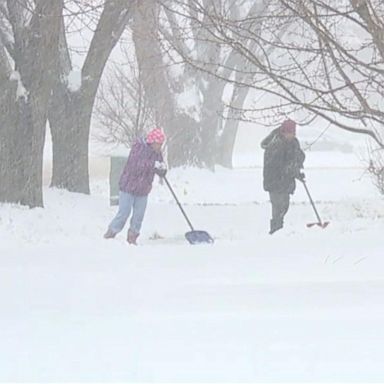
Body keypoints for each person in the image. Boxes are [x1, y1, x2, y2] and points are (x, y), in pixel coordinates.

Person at [104, 128, 167, 244]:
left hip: (143, 189)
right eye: (158, 144)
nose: (159, 147)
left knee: (139, 216)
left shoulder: (157, 153)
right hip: (128, 187)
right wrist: (153, 165)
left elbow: (159, 164)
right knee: (124, 213)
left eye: (161, 144)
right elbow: (137, 164)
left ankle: (132, 237)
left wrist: (162, 169)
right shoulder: (138, 147)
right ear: (152, 141)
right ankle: (111, 233)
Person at [261, 119, 305, 234]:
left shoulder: (293, 142)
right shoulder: (275, 144)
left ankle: (278, 230)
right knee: (278, 207)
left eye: (293, 133)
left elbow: (297, 156)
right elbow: (276, 165)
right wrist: (290, 169)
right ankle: (275, 230)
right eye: (290, 133)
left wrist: (297, 170)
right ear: (284, 132)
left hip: (286, 181)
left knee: (285, 206)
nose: (291, 135)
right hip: (275, 181)